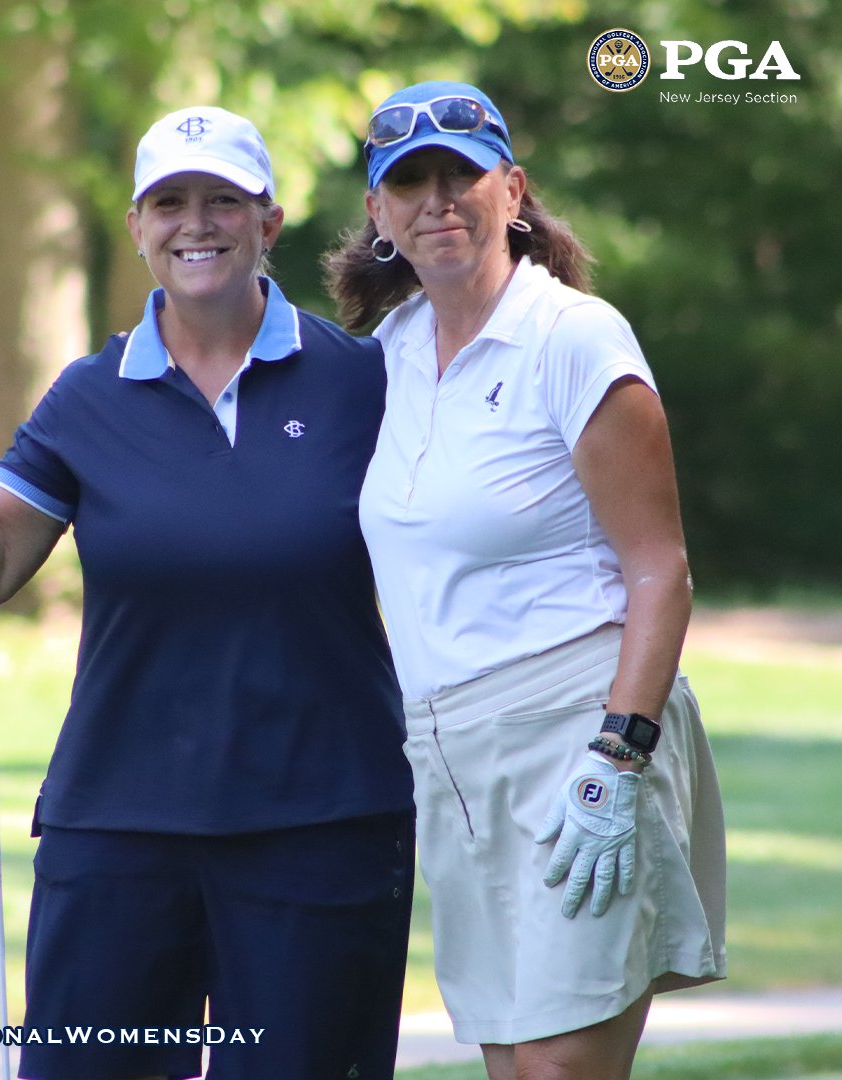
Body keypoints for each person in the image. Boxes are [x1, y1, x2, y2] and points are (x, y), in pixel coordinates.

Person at [0, 105, 415, 1080]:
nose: (198, 223)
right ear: (141, 230)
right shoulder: (90, 395)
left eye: (223, 201)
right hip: (118, 823)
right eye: (171, 203)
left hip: (319, 821)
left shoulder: (364, 380)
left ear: (268, 222)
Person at [324, 80, 726, 1080]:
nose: (436, 200)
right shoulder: (392, 353)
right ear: (378, 213)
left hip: (578, 738)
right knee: (513, 1066)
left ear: (511, 189)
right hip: (450, 755)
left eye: (460, 175)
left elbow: (660, 569)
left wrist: (618, 754)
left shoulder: (573, 338)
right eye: (407, 182)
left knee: (558, 1073)